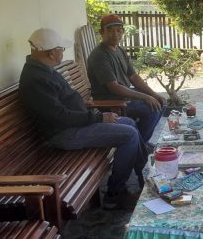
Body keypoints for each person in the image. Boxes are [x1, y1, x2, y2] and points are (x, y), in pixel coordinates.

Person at [18, 28, 147, 210]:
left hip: (75, 124)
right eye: (62, 48)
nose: (63, 51)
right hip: (65, 134)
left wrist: (91, 113)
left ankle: (143, 170)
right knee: (130, 135)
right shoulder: (36, 79)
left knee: (129, 123)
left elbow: (61, 107)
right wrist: (99, 117)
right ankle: (115, 194)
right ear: (52, 52)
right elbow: (60, 117)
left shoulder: (42, 70)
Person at [87, 14, 167, 146]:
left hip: (124, 97)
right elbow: (114, 87)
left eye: (119, 30)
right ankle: (140, 145)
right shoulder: (99, 56)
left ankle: (140, 143)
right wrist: (144, 97)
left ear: (123, 32)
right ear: (102, 32)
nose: (115, 34)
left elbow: (133, 76)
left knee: (160, 101)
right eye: (110, 30)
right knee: (153, 108)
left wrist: (153, 94)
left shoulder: (119, 50)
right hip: (110, 101)